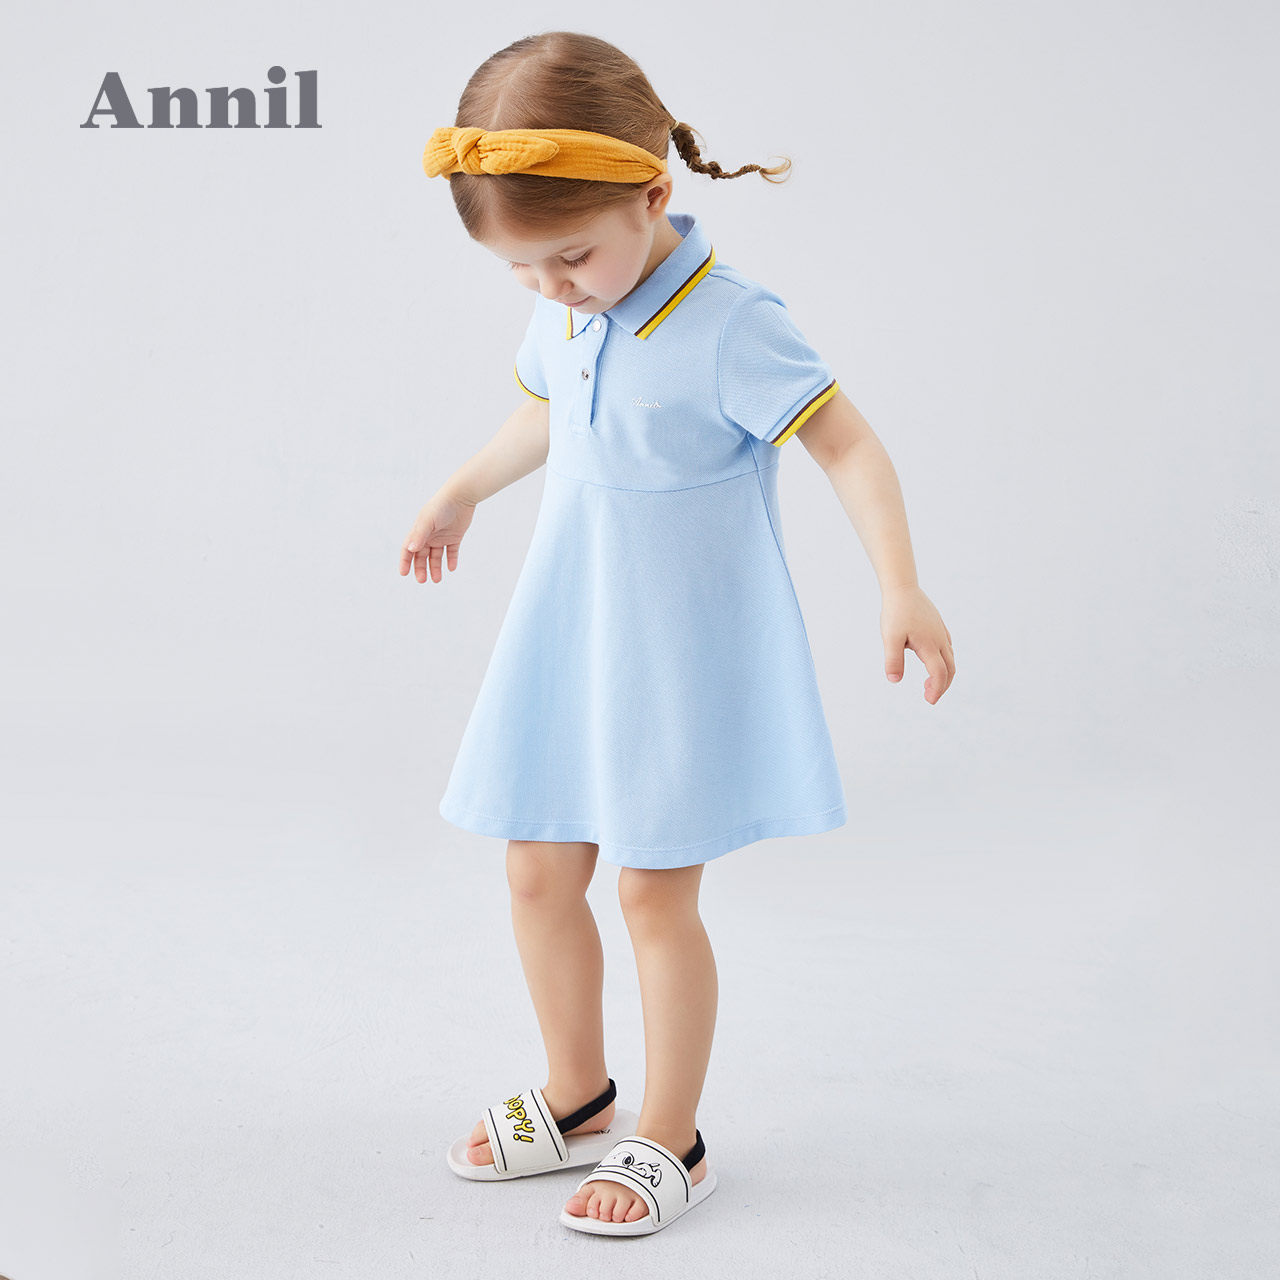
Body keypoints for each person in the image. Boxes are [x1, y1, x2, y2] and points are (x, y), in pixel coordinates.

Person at [398, 31, 955, 1237]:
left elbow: (846, 442)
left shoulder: (732, 322)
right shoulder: (567, 309)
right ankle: (578, 1089)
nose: (553, 288)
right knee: (535, 867)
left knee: (651, 891)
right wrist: (460, 488)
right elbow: (546, 410)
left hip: (676, 657)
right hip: (571, 634)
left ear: (652, 195)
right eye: (521, 271)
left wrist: (898, 583)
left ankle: (672, 1131)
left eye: (570, 257)